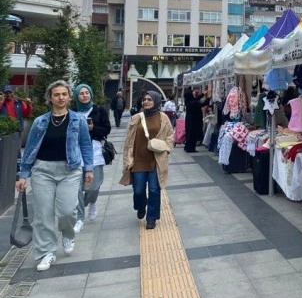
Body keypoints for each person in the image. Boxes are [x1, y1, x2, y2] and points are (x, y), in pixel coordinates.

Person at [15, 80, 93, 272]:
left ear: (69, 97)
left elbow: (85, 144)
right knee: (43, 214)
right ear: (50, 97)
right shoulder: (40, 121)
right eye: (56, 94)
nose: (60, 97)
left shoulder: (78, 120)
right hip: (42, 171)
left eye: (64, 94)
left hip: (70, 170)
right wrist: (23, 174)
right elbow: (30, 148)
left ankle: (67, 233)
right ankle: (46, 252)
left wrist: (88, 168)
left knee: (67, 211)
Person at [119, 91, 173, 230]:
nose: (146, 101)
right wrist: (127, 159)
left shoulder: (163, 117)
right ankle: (141, 206)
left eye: (150, 99)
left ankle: (151, 218)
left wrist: (167, 149)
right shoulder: (136, 118)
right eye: (144, 99)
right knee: (138, 190)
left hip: (156, 160)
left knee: (155, 190)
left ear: (156, 101)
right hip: (138, 160)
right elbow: (128, 140)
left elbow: (170, 136)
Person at [71, 84, 112, 233]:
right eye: (81, 93)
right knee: (78, 188)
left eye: (86, 93)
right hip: (76, 152)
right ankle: (80, 218)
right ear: (76, 96)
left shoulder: (99, 110)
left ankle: (92, 201)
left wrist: (93, 129)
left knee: (93, 186)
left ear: (91, 94)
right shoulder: (72, 112)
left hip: (94, 151)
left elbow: (107, 129)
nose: (84, 95)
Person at [183, 88, 209, 153]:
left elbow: (196, 99)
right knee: (192, 135)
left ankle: (188, 147)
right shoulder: (192, 103)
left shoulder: (189, 101)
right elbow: (202, 104)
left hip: (190, 120)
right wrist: (208, 98)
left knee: (189, 134)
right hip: (193, 121)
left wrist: (203, 94)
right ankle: (191, 148)